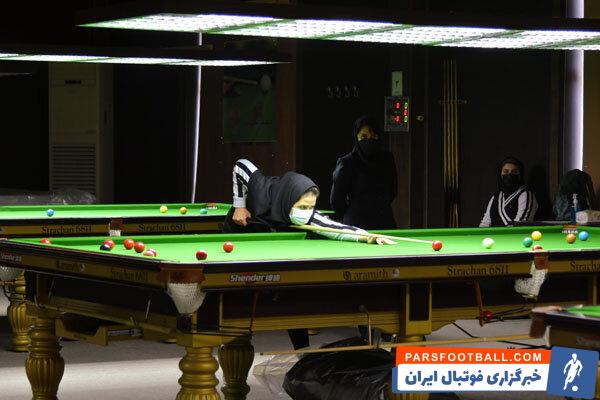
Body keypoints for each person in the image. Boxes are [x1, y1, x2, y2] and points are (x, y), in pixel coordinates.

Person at [224, 158, 395, 349]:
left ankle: (302, 350)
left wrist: (368, 237)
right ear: (289, 199)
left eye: (310, 207)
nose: (306, 213)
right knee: (242, 297)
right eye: (302, 207)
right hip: (240, 233)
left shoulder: (305, 216)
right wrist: (239, 205)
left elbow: (336, 228)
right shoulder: (261, 188)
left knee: (290, 293)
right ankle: (237, 337)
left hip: (272, 239)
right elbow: (241, 165)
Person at [330, 115, 397, 229]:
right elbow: (336, 200)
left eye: (374, 136)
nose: (369, 140)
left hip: (384, 222)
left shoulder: (387, 159)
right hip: (356, 225)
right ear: (356, 137)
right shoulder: (347, 163)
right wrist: (353, 213)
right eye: (364, 137)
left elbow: (393, 190)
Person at [479, 156, 538, 227]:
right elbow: (485, 223)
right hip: (494, 234)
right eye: (505, 171)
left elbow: (520, 225)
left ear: (520, 174)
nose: (509, 175)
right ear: (500, 174)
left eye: (514, 172)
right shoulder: (496, 196)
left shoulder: (526, 194)